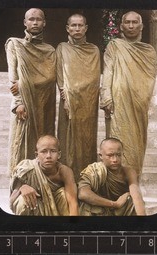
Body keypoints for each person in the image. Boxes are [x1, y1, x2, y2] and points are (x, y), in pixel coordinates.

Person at [100, 11, 156, 176]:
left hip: (138, 106)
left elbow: (150, 78)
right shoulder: (114, 46)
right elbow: (108, 71)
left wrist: (141, 99)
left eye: (134, 22)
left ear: (141, 26)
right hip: (118, 104)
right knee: (117, 142)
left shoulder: (149, 51)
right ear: (121, 26)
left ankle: (134, 181)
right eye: (127, 22)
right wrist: (107, 97)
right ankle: (116, 184)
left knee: (136, 144)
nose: (131, 26)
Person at [5, 8, 56, 174]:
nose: (35, 23)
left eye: (39, 19)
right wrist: (18, 101)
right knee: (21, 142)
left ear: (44, 23)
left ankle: (40, 180)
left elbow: (50, 77)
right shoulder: (15, 45)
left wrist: (25, 82)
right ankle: (19, 182)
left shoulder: (50, 50)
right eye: (31, 19)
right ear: (25, 22)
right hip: (24, 103)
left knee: (41, 141)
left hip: (44, 104)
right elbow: (13, 76)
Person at [56, 14, 101, 181]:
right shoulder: (62, 48)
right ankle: (66, 180)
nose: (76, 29)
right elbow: (60, 76)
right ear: (67, 28)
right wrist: (66, 96)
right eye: (73, 25)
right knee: (67, 140)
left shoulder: (94, 50)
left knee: (87, 141)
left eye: (80, 25)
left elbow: (94, 78)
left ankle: (85, 180)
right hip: (67, 101)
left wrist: (82, 94)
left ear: (86, 28)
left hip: (88, 103)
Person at [9, 135, 79, 216]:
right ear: (36, 155)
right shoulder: (27, 169)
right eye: (44, 151)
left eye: (53, 151)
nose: (48, 156)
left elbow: (73, 202)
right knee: (23, 200)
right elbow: (12, 200)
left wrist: (74, 225)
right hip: (36, 207)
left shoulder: (64, 172)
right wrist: (22, 187)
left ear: (59, 155)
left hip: (57, 209)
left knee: (64, 194)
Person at [78, 138, 146, 216]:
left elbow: (136, 195)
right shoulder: (94, 170)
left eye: (118, 155)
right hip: (100, 210)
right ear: (101, 156)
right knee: (87, 205)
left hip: (120, 212)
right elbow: (83, 194)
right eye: (110, 155)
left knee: (131, 200)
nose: (115, 159)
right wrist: (114, 204)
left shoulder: (128, 172)